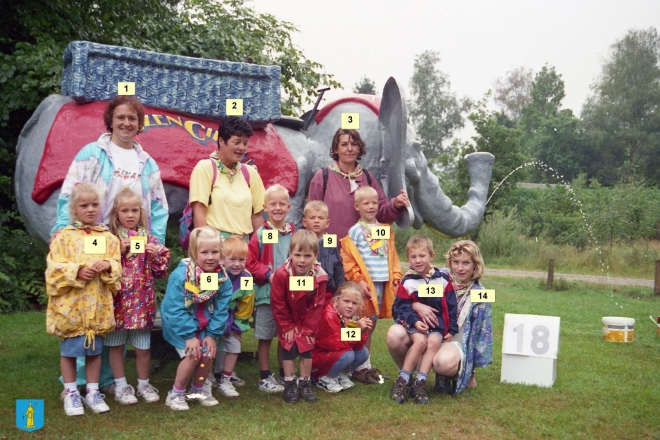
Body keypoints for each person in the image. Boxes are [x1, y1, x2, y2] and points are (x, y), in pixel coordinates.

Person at [50, 95, 169, 392]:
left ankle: (105, 379)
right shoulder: (92, 153)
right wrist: (63, 231)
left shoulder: (147, 162)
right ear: (110, 121)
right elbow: (71, 194)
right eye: (121, 117)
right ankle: (80, 378)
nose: (126, 123)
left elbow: (158, 207)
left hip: (132, 244)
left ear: (139, 124)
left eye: (132, 118)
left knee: (111, 311)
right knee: (87, 304)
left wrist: (155, 245)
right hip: (93, 240)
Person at [45, 183, 121, 416]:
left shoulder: (108, 238)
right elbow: (53, 269)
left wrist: (108, 265)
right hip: (72, 308)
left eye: (95, 204)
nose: (90, 209)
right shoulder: (64, 238)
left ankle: (92, 391)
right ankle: (71, 392)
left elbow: (117, 268)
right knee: (70, 350)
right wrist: (76, 271)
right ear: (74, 209)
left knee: (94, 351)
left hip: (96, 307)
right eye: (84, 205)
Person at [386, 240, 492, 395]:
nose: (460, 268)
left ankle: (444, 374)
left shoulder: (481, 293)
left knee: (444, 363)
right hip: (428, 331)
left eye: (466, 263)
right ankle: (406, 376)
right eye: (455, 262)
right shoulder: (436, 276)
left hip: (453, 339)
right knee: (395, 334)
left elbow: (481, 334)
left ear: (475, 265)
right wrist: (416, 305)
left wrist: (472, 372)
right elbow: (405, 298)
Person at [105, 188, 170, 405]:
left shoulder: (149, 239)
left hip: (142, 304)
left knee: (143, 347)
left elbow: (162, 270)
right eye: (125, 210)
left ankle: (143, 383)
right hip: (118, 304)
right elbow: (101, 268)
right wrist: (117, 252)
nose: (130, 215)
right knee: (116, 346)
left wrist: (154, 256)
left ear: (141, 213)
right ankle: (121, 385)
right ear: (116, 214)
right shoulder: (109, 240)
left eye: (134, 210)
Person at [161, 226, 233, 411]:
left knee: (208, 352)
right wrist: (189, 336)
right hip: (179, 324)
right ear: (194, 252)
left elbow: (221, 310)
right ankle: (176, 393)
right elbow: (174, 309)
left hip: (203, 324)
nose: (210, 257)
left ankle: (198, 389)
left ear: (221, 253)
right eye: (205, 252)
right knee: (193, 354)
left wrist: (211, 335)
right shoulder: (181, 276)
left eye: (215, 252)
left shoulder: (222, 279)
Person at [340, 186, 402, 384]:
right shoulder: (355, 231)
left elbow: (391, 255)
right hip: (363, 287)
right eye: (366, 203)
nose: (371, 206)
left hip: (381, 285)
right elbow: (349, 258)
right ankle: (350, 365)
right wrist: (358, 280)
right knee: (358, 324)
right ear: (357, 206)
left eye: (374, 202)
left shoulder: (385, 229)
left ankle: (364, 365)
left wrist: (396, 277)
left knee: (371, 325)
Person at [389, 236, 457, 404]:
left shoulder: (443, 279)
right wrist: (413, 320)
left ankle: (420, 383)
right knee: (419, 342)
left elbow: (451, 305)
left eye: (422, 256)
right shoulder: (408, 281)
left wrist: (452, 328)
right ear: (408, 259)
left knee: (433, 342)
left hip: (436, 325)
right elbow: (398, 307)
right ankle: (403, 380)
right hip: (416, 324)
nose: (418, 260)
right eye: (413, 257)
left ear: (431, 256)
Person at [307, 128, 409, 240]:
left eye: (354, 144)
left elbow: (380, 212)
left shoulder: (368, 178)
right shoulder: (322, 177)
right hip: (330, 249)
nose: (349, 149)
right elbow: (310, 217)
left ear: (359, 149)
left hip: (362, 251)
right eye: (344, 144)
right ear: (336, 149)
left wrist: (395, 204)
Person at [246, 184, 294, 393]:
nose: (277, 207)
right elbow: (250, 262)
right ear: (265, 206)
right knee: (265, 337)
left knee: (286, 336)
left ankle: (285, 374)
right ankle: (264, 376)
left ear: (289, 207)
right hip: (267, 296)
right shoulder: (260, 233)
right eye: (272, 204)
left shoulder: (293, 233)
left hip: (289, 297)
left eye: (282, 203)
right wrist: (268, 274)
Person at [270, 230, 328, 403]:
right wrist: (287, 326)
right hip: (286, 318)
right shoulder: (282, 274)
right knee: (288, 348)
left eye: (307, 256)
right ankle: (289, 384)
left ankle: (305, 384)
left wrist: (307, 329)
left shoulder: (320, 277)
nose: (302, 260)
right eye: (298, 255)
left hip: (306, 320)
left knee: (306, 348)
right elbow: (278, 302)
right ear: (291, 254)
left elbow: (317, 306)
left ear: (316, 255)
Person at [189, 116, 265, 240]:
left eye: (245, 143)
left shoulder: (250, 173)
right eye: (237, 142)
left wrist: (272, 245)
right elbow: (199, 213)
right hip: (215, 246)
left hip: (242, 251)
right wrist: (207, 250)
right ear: (221, 141)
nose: (242, 148)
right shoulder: (205, 168)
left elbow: (257, 217)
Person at [213, 236, 255, 398]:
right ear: (222, 259)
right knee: (212, 348)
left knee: (233, 347)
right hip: (214, 318)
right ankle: (208, 377)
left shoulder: (246, 278)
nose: (237, 264)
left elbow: (246, 303)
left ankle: (226, 379)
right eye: (232, 259)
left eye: (241, 260)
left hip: (233, 318)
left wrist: (237, 327)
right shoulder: (215, 275)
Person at [312, 282, 372, 393]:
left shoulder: (353, 317)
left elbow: (358, 345)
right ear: (336, 301)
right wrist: (357, 330)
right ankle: (326, 378)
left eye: (354, 303)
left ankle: (340, 375)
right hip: (319, 355)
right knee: (348, 355)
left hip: (335, 352)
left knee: (363, 352)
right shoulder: (329, 315)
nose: (350, 306)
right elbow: (336, 343)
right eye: (346, 301)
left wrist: (363, 331)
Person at [301, 200, 344, 300]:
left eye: (321, 218)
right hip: (305, 291)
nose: (316, 221)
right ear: (304, 222)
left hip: (327, 291)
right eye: (312, 218)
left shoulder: (330, 241)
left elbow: (338, 268)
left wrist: (339, 293)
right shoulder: (300, 240)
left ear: (327, 223)